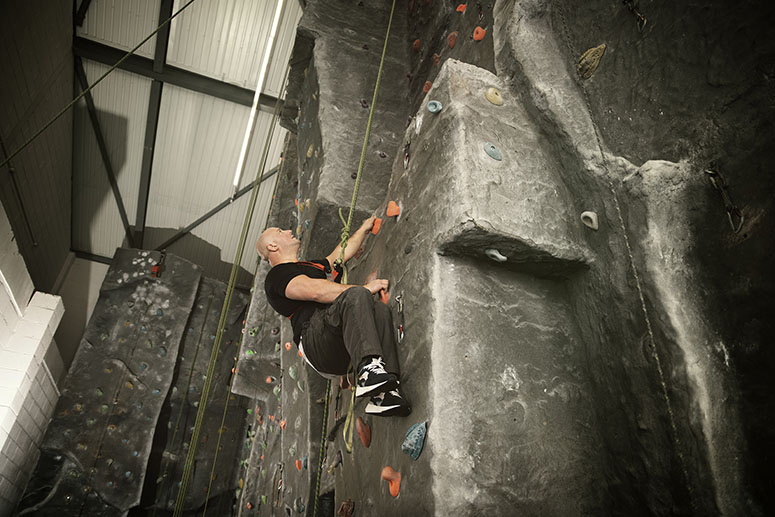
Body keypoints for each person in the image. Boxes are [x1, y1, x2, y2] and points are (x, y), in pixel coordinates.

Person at [255, 216, 411, 417]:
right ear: (273, 246)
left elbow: (339, 255)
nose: (287, 230)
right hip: (316, 341)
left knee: (378, 311)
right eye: (280, 231)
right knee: (356, 295)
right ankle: (367, 373)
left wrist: (364, 228)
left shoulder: (310, 268)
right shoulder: (277, 276)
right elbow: (315, 291)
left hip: (340, 342)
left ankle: (384, 396)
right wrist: (365, 289)